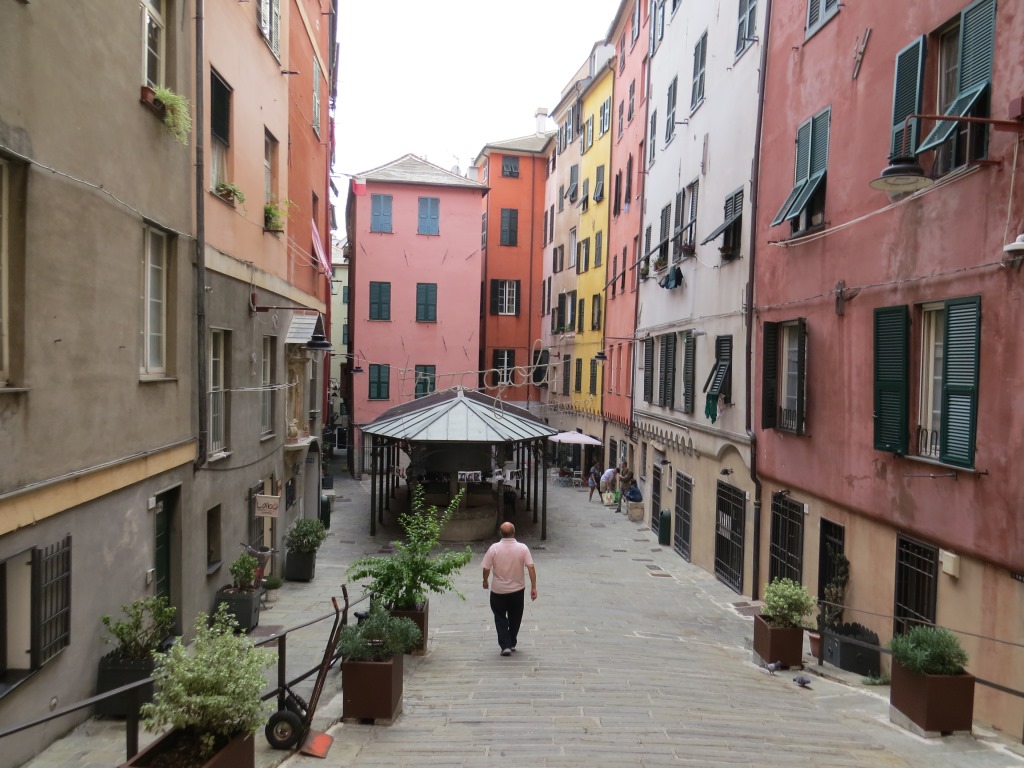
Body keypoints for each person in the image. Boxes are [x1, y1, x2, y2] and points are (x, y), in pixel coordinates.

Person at [482, 522, 537, 656]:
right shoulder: (522, 548)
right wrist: (533, 587)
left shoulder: (494, 548)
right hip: (517, 589)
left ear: (500, 533)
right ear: (514, 532)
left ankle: (505, 645)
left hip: (498, 590)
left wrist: (485, 580)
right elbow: (530, 567)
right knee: (515, 617)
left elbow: (486, 568)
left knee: (500, 617)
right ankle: (511, 642)